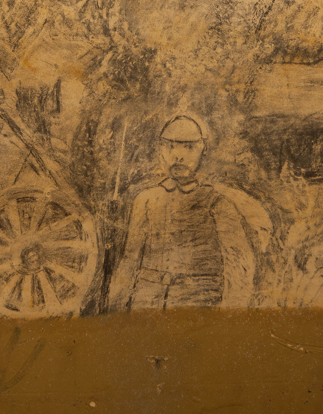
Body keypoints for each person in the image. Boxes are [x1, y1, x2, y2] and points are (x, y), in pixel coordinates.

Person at [108, 115, 260, 310]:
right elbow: (129, 263)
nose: (178, 156)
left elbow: (240, 267)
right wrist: (115, 313)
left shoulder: (218, 204)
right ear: (160, 150)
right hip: (146, 304)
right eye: (170, 146)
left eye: (189, 148)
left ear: (203, 151)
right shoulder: (145, 200)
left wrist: (230, 318)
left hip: (197, 306)